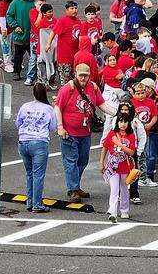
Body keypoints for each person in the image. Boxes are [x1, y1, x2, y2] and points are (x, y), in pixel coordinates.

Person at [55, 63, 117, 201]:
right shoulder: (67, 88)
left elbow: (102, 104)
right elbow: (57, 107)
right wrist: (60, 127)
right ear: (75, 73)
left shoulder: (93, 87)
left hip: (85, 132)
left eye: (86, 75)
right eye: (81, 75)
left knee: (83, 161)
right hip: (69, 133)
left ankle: (75, 186)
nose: (83, 78)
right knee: (71, 161)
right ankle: (73, 189)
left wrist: (118, 114)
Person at [16, 83, 55, 213]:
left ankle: (30, 201)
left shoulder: (25, 106)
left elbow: (18, 123)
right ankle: (37, 204)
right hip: (39, 143)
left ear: (33, 93)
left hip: (23, 141)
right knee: (38, 174)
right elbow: (52, 127)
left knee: (29, 173)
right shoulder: (49, 109)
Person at [101, 113, 137, 222]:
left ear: (128, 123)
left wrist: (119, 144)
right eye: (121, 121)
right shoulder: (111, 133)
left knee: (124, 188)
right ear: (117, 122)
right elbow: (105, 148)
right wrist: (101, 163)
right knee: (114, 188)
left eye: (125, 122)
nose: (123, 124)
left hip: (126, 167)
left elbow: (131, 152)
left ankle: (124, 210)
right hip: (113, 167)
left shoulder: (131, 135)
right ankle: (113, 211)